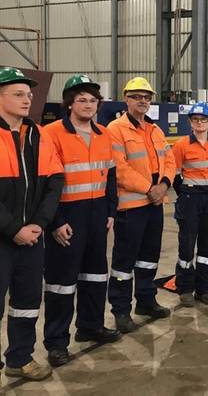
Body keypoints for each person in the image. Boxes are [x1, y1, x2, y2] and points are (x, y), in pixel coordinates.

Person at [42, 75, 120, 368]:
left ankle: (90, 326)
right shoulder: (51, 134)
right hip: (67, 216)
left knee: (96, 275)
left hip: (98, 213)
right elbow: (46, 183)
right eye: (82, 100)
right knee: (61, 283)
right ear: (70, 104)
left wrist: (111, 210)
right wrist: (55, 221)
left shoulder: (104, 134)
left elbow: (110, 174)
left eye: (93, 100)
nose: (88, 105)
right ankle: (57, 341)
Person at [0, 67, 64, 381]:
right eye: (18, 94)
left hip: (32, 236)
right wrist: (14, 229)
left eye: (29, 94)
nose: (28, 100)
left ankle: (20, 359)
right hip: (4, 238)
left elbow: (55, 180)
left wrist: (39, 223)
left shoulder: (37, 134)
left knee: (26, 302)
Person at [107, 77, 176, 333]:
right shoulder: (115, 129)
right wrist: (150, 189)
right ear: (127, 99)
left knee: (149, 258)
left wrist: (164, 185)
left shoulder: (155, 130)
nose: (143, 101)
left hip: (154, 205)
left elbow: (169, 161)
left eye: (146, 97)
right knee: (124, 262)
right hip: (131, 207)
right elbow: (119, 169)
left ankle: (146, 301)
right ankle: (121, 310)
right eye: (137, 97)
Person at [171, 102, 208, 307]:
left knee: (207, 245)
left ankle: (204, 288)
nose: (199, 123)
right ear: (190, 122)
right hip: (190, 198)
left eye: (204, 120)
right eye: (195, 120)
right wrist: (185, 194)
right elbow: (175, 175)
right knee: (186, 245)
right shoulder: (181, 145)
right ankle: (185, 288)